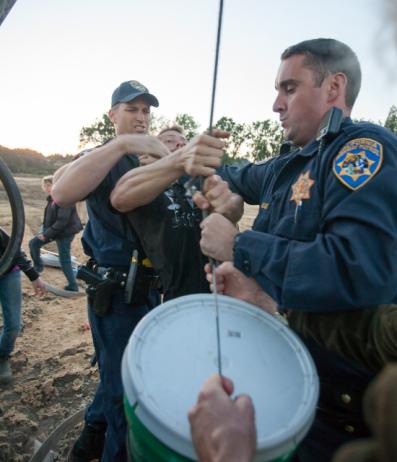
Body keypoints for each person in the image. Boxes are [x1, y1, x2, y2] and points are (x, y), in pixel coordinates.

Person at [196, 38, 397, 461]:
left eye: (289, 88)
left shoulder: (358, 150)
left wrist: (239, 245)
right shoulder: (285, 165)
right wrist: (202, 167)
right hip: (284, 379)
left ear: (333, 88)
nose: (275, 104)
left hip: (340, 413)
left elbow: (357, 268)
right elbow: (237, 174)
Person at [51, 80, 227, 462]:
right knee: (125, 392)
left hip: (152, 291)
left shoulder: (153, 165)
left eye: (147, 111)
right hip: (115, 293)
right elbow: (62, 193)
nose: (141, 118)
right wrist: (121, 145)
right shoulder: (102, 155)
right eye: (131, 109)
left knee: (125, 375)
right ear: (112, 115)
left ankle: (87, 443)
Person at [110, 125, 242, 300]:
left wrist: (230, 206)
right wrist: (166, 164)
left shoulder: (199, 180)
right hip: (179, 296)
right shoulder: (144, 182)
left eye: (185, 143)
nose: (181, 146)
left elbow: (233, 208)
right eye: (169, 141)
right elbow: (120, 198)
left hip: (224, 287)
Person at [0, 228, 45, 384]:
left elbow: (15, 249)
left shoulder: (0, 233)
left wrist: (34, 276)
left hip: (8, 273)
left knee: (13, 325)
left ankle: (2, 356)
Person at [29, 175, 82, 292]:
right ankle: (38, 267)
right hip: (54, 232)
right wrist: (43, 231)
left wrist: (46, 234)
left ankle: (73, 286)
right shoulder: (51, 199)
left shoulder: (63, 198)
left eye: (49, 184)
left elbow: (62, 221)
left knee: (65, 260)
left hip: (65, 233)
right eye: (45, 185)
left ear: (56, 184)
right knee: (33, 243)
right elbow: (49, 219)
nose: (47, 187)